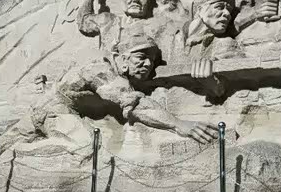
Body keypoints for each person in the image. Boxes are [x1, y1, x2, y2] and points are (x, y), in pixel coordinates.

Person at [56, 30, 218, 144]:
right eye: (141, 57)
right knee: (86, 146)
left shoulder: (125, 77)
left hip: (80, 115)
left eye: (151, 60)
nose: (148, 64)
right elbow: (136, 104)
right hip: (56, 111)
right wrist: (179, 124)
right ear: (121, 59)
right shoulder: (99, 71)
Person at [77, 0, 155, 51]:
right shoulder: (108, 20)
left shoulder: (153, 27)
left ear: (148, 3)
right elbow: (84, 22)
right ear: (123, 0)